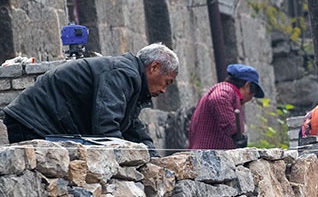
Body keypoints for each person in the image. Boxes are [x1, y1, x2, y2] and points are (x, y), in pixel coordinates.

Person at [2, 43, 179, 154]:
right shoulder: (123, 73)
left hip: (40, 124)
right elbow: (106, 127)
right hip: (32, 123)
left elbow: (130, 126)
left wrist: (153, 157)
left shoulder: (130, 78)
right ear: (154, 67)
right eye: (167, 82)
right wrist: (127, 158)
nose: (164, 90)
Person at [188, 63, 265, 150]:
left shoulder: (229, 93)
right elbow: (217, 98)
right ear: (247, 85)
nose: (251, 98)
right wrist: (235, 133)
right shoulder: (227, 89)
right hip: (207, 157)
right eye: (252, 92)